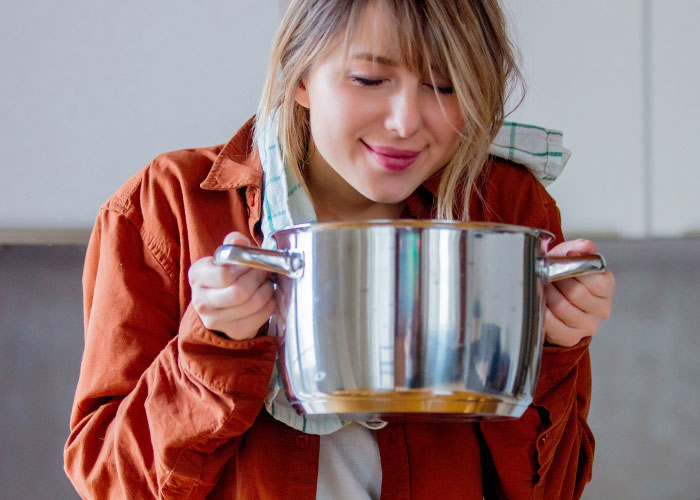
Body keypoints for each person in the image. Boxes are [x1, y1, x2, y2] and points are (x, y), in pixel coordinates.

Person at [64, 0, 616, 499]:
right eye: (370, 78)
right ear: (300, 75)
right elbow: (112, 483)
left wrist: (553, 349)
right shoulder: (166, 207)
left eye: (445, 88)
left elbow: (554, 491)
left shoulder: (506, 207)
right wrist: (214, 349)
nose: (406, 122)